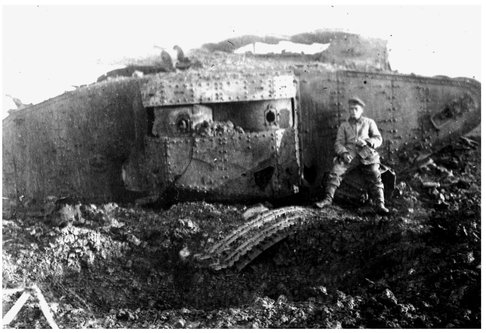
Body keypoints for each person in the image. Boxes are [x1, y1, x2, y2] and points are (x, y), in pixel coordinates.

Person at [315, 96, 389, 214]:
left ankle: (380, 204)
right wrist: (343, 152)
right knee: (336, 171)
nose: (353, 111)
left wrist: (367, 142)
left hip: (367, 154)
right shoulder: (344, 126)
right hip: (350, 155)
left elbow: (378, 139)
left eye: (356, 109)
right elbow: (338, 143)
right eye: (351, 109)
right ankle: (328, 199)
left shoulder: (369, 122)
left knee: (375, 174)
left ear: (361, 110)